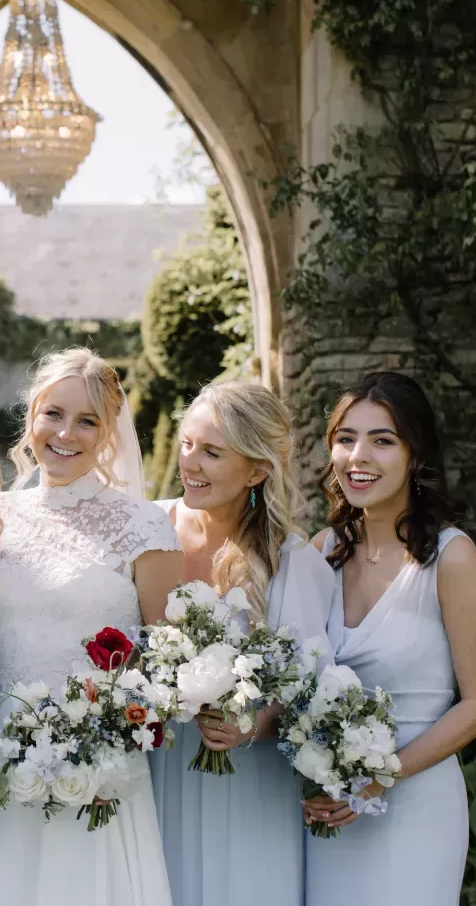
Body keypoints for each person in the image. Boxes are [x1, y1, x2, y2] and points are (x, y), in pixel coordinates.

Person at [0, 347, 183, 906]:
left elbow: (169, 656)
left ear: (108, 434)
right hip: (0, 757)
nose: (66, 433)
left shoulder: (144, 524)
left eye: (87, 420)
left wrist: (103, 729)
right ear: (32, 418)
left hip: (100, 766)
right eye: (54, 414)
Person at [305, 371, 476, 905]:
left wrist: (375, 781)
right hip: (327, 813)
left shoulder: (451, 558)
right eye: (345, 439)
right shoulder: (321, 551)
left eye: (382, 440)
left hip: (414, 806)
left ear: (415, 456)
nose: (357, 456)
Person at [148, 381, 336, 906]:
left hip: (248, 787)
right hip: (155, 775)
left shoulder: (291, 562)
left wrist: (252, 722)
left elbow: (310, 693)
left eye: (212, 452)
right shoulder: (146, 529)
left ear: (256, 470)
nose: (191, 463)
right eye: (187, 445)